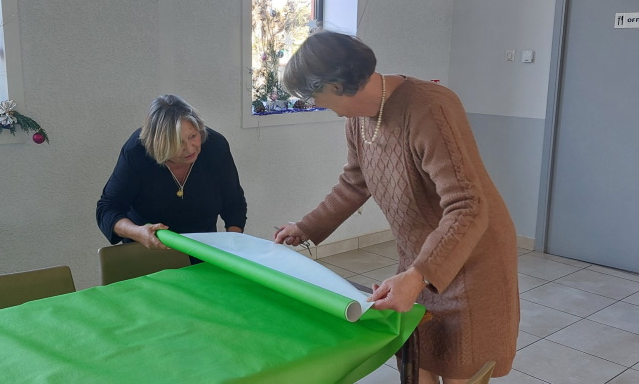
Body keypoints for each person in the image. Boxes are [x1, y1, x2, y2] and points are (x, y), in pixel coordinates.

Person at [273, 30, 518, 383]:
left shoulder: (429, 107)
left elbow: (467, 206)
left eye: (315, 96)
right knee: (418, 361)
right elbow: (354, 183)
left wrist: (419, 276)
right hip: (418, 259)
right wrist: (306, 227)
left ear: (336, 86)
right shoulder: (358, 120)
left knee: (459, 369)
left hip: (471, 259)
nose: (317, 104)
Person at [97, 94, 247, 263]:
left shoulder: (215, 147)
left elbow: (234, 203)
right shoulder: (136, 152)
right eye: (178, 142)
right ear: (159, 143)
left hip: (203, 251)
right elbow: (107, 209)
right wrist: (138, 232)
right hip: (148, 252)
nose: (190, 148)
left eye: (193, 136)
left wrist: (231, 249)